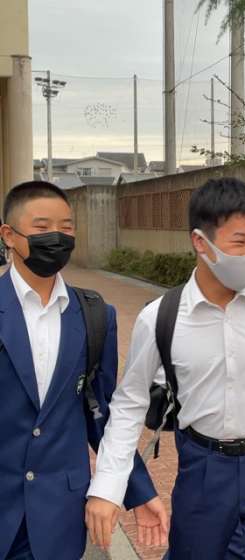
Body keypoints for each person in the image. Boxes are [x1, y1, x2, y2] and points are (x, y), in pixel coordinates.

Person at [86, 178, 245, 560]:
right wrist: (108, 486)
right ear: (200, 242)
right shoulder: (161, 317)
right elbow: (129, 404)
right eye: (239, 243)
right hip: (204, 470)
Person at [0, 181, 161, 560]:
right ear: (9, 235)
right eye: (42, 228)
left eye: (66, 227)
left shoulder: (94, 315)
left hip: (59, 517)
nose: (56, 237)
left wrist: (138, 490)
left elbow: (99, 411)